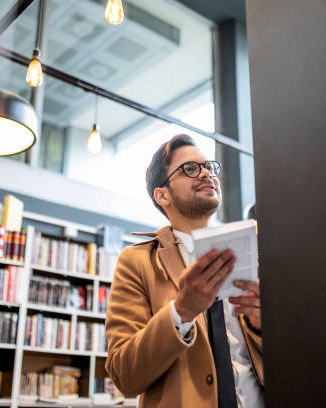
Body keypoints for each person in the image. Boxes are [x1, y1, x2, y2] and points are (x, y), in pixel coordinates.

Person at [105, 134, 264, 408]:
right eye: (190, 169)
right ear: (162, 194)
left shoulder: (252, 254)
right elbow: (124, 375)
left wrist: (265, 326)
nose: (206, 173)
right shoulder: (136, 262)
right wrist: (181, 312)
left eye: (210, 167)